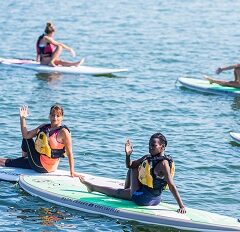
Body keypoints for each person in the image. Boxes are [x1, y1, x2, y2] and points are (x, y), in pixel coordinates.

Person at [80, 133, 186, 213]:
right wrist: (128, 155)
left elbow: (171, 185)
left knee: (118, 192)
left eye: (153, 145)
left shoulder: (164, 163)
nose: (150, 147)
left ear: (162, 147)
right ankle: (96, 187)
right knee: (133, 168)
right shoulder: (148, 157)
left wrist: (181, 206)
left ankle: (93, 187)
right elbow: (129, 165)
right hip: (156, 199)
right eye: (149, 145)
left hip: (143, 199)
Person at [0, 104, 82, 178]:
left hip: (42, 166)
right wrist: (22, 118)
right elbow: (26, 134)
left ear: (62, 117)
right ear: (49, 116)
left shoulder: (64, 132)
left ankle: (25, 159)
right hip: (37, 160)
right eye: (53, 115)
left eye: (58, 116)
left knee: (26, 140)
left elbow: (70, 153)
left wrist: (72, 172)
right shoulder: (44, 127)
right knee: (9, 163)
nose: (55, 118)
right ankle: (25, 159)